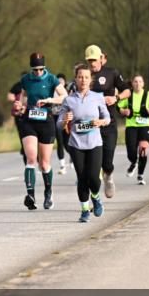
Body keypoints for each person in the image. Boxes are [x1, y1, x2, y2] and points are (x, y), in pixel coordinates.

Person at [10, 53, 66, 211]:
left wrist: (49, 100)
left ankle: (48, 193)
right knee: (31, 157)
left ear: (44, 67)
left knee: (44, 163)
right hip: (29, 121)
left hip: (46, 121)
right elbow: (23, 99)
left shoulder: (52, 79)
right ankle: (31, 195)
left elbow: (65, 96)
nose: (38, 72)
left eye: (41, 69)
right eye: (35, 70)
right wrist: (19, 106)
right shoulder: (26, 80)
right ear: (31, 68)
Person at [57, 65, 111, 223]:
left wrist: (101, 121)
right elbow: (59, 124)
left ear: (91, 79)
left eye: (86, 77)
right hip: (76, 144)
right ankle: (85, 210)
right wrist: (65, 119)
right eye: (80, 77)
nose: (83, 80)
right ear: (76, 79)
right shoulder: (69, 100)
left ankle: (95, 197)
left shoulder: (97, 97)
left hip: (94, 143)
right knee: (82, 178)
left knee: (94, 178)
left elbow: (107, 117)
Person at [84, 46, 130, 198]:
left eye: (94, 60)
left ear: (101, 58)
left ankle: (108, 176)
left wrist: (116, 98)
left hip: (108, 124)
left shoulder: (111, 73)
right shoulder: (84, 75)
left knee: (107, 163)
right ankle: (94, 196)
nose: (92, 64)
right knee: (93, 163)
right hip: (90, 125)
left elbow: (127, 90)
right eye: (89, 61)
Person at [118, 74, 149, 185]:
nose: (138, 84)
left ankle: (140, 175)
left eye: (140, 81)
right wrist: (123, 111)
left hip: (145, 125)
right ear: (132, 83)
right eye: (135, 81)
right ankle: (133, 162)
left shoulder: (148, 95)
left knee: (143, 149)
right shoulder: (128, 95)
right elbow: (118, 107)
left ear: (143, 83)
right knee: (131, 151)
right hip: (131, 125)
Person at [54, 72, 69, 174]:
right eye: (58, 81)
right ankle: (62, 165)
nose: (60, 82)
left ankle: (74, 157)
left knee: (68, 142)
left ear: (65, 82)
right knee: (60, 141)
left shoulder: (69, 91)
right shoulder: (52, 91)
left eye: (62, 81)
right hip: (55, 118)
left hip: (67, 119)